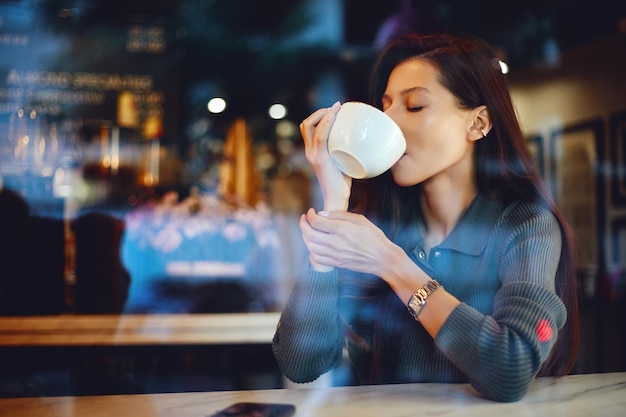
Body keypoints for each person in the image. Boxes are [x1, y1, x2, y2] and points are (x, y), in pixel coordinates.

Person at [272, 32, 579, 402]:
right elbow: (300, 363)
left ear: (478, 124)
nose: (390, 123)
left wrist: (391, 263)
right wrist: (335, 206)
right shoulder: (376, 224)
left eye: (414, 106)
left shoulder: (524, 226)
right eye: (385, 107)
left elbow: (510, 369)